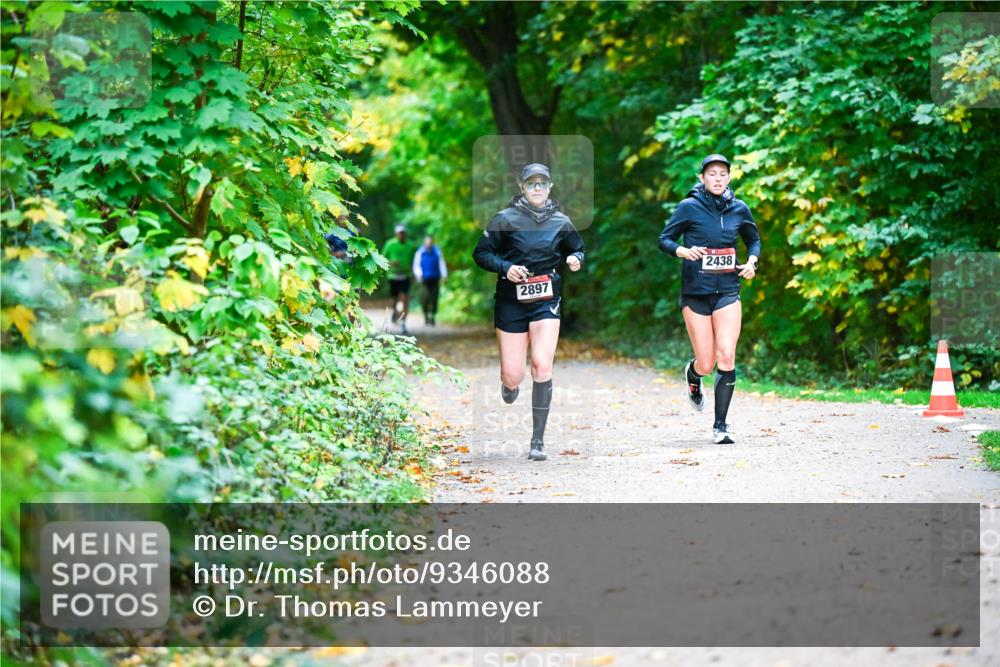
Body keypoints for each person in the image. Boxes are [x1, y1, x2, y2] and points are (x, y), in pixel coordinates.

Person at [473, 163, 585, 461]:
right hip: (511, 302)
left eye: (543, 183)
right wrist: (506, 268)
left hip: (546, 300)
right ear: (521, 187)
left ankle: (538, 441)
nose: (537, 188)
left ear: (550, 187)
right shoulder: (505, 219)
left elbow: (578, 248)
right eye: (531, 183)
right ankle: (509, 387)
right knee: (513, 375)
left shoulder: (561, 221)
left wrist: (575, 258)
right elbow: (481, 253)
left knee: (541, 366)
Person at [658, 153, 760, 444]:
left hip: (728, 291)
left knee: (726, 354)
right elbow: (664, 239)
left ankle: (720, 426)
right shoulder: (688, 207)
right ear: (702, 178)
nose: (717, 178)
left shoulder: (739, 209)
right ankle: (693, 374)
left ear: (729, 177)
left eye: (722, 173)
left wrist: (752, 261)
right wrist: (681, 251)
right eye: (711, 173)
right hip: (696, 294)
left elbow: (753, 239)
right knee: (706, 362)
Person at [381, 224, 417, 334]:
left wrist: (414, 272)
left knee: (405, 298)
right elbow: (382, 258)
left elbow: (415, 260)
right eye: (399, 233)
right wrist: (391, 263)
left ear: (405, 234)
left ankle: (403, 323)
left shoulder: (410, 245)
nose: (401, 235)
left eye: (403, 233)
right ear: (396, 234)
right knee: (395, 299)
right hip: (393, 276)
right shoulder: (390, 244)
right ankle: (394, 311)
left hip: (406, 275)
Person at [412, 234, 448, 326]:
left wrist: (444, 275)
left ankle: (432, 317)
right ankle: (426, 317)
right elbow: (416, 266)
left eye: (430, 242)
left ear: (432, 242)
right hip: (423, 280)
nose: (429, 243)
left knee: (434, 298)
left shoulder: (437, 252)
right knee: (425, 298)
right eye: (427, 242)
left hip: (435, 279)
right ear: (424, 242)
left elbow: (441, 264)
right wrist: (419, 275)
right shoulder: (420, 252)